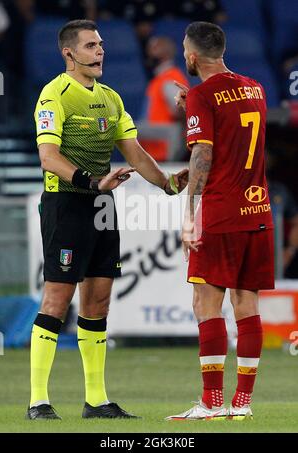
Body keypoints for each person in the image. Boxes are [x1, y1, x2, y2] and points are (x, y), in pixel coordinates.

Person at [27, 19, 188, 420]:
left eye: (100, 44)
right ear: (69, 54)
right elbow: (48, 157)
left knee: (98, 301)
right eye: (90, 45)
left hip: (101, 206)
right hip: (66, 202)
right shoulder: (54, 96)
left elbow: (134, 154)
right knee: (58, 298)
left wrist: (167, 184)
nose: (100, 51)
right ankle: (38, 402)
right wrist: (92, 181)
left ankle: (96, 401)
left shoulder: (112, 99)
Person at [166, 21, 274, 421]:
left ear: (192, 55)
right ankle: (241, 406)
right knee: (247, 305)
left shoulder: (202, 95)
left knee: (205, 303)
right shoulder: (255, 87)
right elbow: (232, 140)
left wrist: (190, 216)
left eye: (183, 50)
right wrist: (193, 105)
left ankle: (210, 403)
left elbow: (204, 156)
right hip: (258, 210)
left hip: (222, 213)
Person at [142, 36, 190, 161]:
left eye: (153, 49)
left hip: (165, 152)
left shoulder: (170, 79)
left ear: (165, 53)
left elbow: (181, 109)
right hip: (155, 151)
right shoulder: (160, 79)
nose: (149, 54)